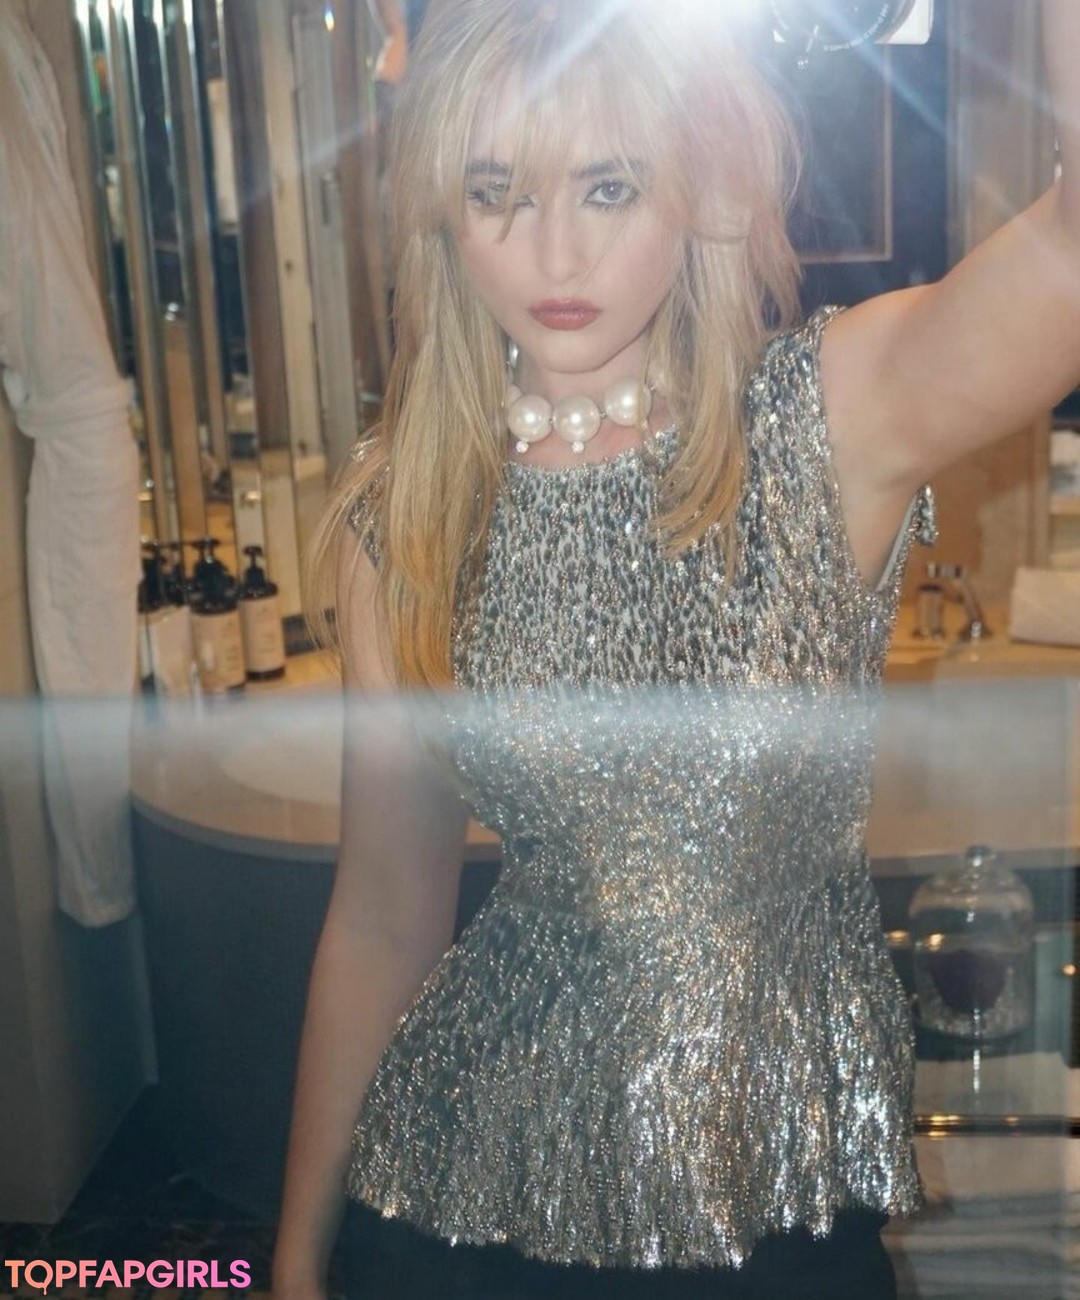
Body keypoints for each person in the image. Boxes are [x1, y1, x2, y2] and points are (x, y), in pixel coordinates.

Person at [273, 1, 1080, 1296]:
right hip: (462, 1200)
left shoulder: (823, 425)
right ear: (440, 213)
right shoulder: (407, 513)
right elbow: (382, 914)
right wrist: (296, 1256)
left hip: (776, 1213)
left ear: (700, 187)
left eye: (609, 186)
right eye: (496, 191)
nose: (555, 250)